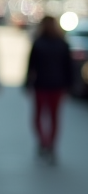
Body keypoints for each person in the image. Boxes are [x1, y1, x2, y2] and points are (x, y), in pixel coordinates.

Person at [25, 15, 74, 162]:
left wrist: (27, 83)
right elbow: (69, 68)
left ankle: (45, 143)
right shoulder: (61, 43)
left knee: (40, 117)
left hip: (44, 85)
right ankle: (49, 144)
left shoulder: (41, 42)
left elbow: (30, 66)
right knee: (53, 117)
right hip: (53, 86)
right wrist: (69, 86)